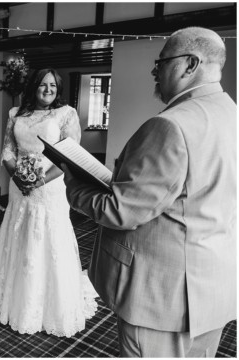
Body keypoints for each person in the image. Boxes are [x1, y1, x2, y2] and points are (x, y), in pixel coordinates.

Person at [63, 27, 236, 357]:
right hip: (214, 286)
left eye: (162, 62)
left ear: (190, 64)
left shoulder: (172, 125)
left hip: (163, 295)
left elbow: (121, 211)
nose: (154, 71)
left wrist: (73, 185)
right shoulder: (232, 114)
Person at [0, 68, 97, 337]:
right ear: (33, 87)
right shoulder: (15, 114)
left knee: (47, 236)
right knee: (18, 233)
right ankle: (13, 293)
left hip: (49, 187)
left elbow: (70, 157)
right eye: (42, 85)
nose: (48, 89)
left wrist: (40, 180)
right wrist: (17, 177)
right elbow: (8, 150)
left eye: (53, 85)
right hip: (20, 185)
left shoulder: (66, 114)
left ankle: (45, 302)